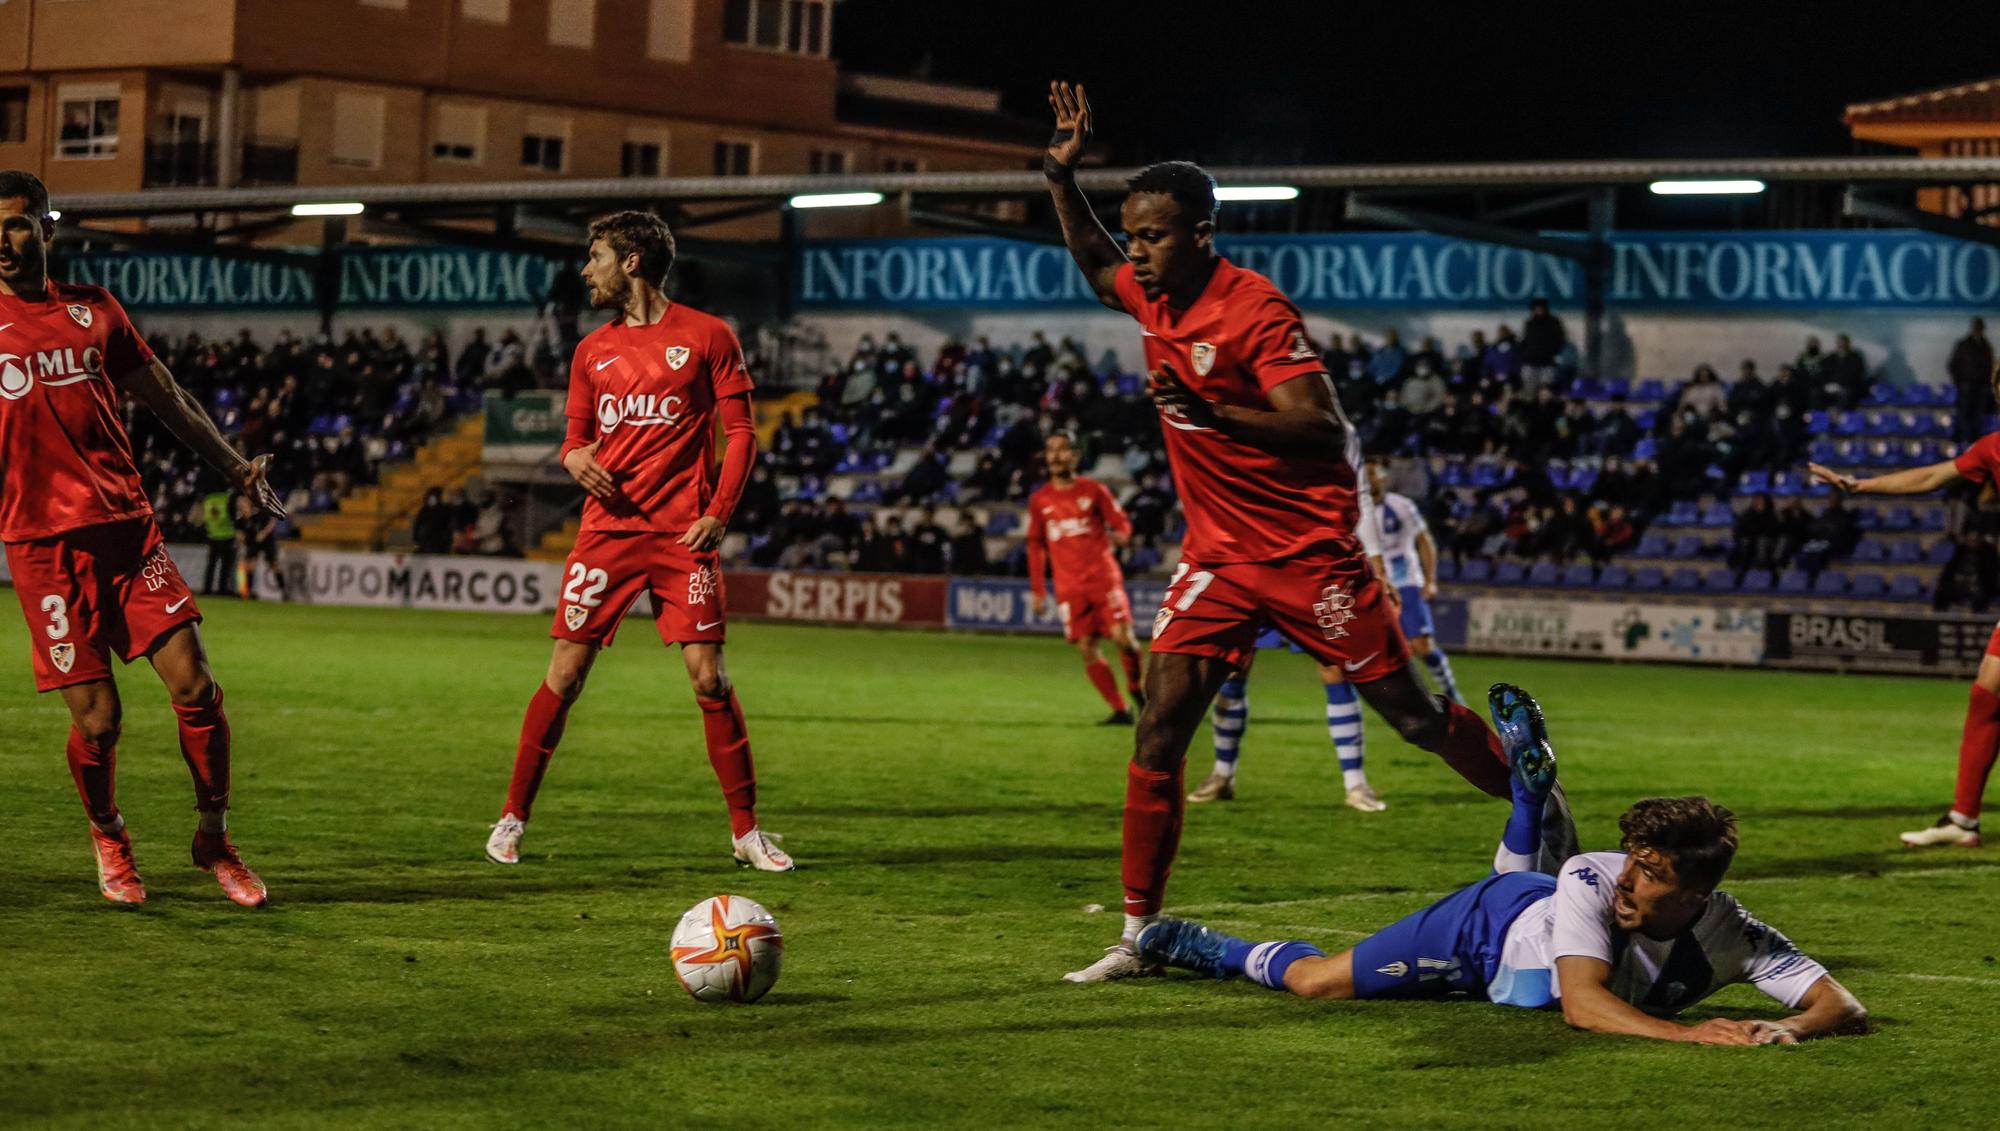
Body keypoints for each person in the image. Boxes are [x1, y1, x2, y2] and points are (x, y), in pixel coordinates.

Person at [1043, 83, 1512, 983]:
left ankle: (1539, 798)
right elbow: (1091, 262)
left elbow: (1321, 429)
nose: (1136, 254)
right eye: (1133, 235)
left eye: (1153, 237)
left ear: (1202, 234)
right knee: (1158, 729)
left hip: (1308, 557)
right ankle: (1139, 933)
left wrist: (1211, 410)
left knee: (1414, 719)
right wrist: (1059, 177)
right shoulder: (1149, 296)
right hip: (1219, 558)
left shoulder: (1253, 310)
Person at [1138, 685, 1868, 1045]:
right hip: (1486, 926)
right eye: (1634, 861)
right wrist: (1689, 1034)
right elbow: (1583, 1005)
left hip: (1522, 943)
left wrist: (1791, 1029)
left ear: (1700, 893)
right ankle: (1201, 946)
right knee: (1316, 981)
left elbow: (1843, 1004)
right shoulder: (1596, 876)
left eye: (1650, 873)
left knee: (1531, 915)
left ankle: (1533, 797)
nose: (1629, 878)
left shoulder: (1733, 930)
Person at [0, 170, 280, 906]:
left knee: (197, 687)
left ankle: (214, 836)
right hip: (43, 548)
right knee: (100, 720)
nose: (3, 238)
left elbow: (169, 399)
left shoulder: (95, 312)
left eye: (17, 222)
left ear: (47, 228)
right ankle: (110, 835)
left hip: (129, 533)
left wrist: (234, 469)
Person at [485, 210, 792, 872]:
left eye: (594, 256)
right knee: (564, 675)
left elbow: (741, 433)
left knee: (709, 678)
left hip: (684, 535)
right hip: (607, 536)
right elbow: (573, 439)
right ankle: (512, 817)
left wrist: (720, 512)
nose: (584, 269)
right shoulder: (591, 350)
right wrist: (573, 460)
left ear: (630, 262)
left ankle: (746, 831)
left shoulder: (708, 336)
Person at [1809, 367, 2000, 848]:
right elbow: (1935, 474)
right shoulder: (1993, 446)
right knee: (1987, 694)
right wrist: (1861, 485)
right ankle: (1963, 819)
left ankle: (1963, 818)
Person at [1026, 431, 1146, 724]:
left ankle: (1136, 690)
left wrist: (1122, 535)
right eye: (1050, 450)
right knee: (1086, 648)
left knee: (1125, 639)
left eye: (1062, 449)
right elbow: (1035, 545)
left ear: (1075, 456)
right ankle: (1120, 710)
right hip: (1069, 587)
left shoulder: (1094, 491)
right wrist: (1039, 590)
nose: (1055, 455)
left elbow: (1121, 523)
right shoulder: (1040, 500)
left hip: (1103, 580)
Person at [1950, 317, 1993, 446]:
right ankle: (1963, 441)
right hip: (1966, 386)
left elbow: (1989, 366)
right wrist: (1960, 382)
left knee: (1978, 416)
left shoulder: (1986, 345)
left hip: (1982, 387)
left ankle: (1975, 442)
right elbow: (1953, 365)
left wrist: (1987, 383)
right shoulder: (1964, 344)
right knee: (1964, 414)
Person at [1518, 298, 1566, 395]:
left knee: (1546, 389)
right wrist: (1525, 354)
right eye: (1536, 308)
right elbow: (1525, 340)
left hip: (1547, 362)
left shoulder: (1554, 322)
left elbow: (1560, 340)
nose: (1538, 310)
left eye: (1540, 308)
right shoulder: (1530, 323)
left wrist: (1553, 353)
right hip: (1530, 362)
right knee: (1529, 391)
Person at [200, 483, 238, 596]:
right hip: (227, 535)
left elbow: (205, 517)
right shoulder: (227, 498)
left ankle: (207, 589)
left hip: (212, 535)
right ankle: (222, 590)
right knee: (225, 566)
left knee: (211, 565)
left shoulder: (208, 499)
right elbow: (232, 515)